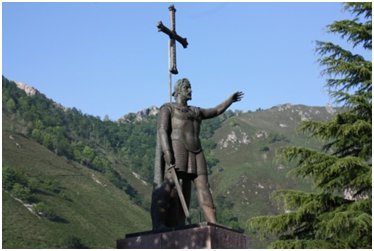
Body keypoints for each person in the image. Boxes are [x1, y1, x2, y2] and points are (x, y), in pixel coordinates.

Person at [151, 78, 244, 230]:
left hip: (196, 151)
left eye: (190, 88)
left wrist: (230, 101)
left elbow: (215, 111)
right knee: (169, 184)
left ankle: (213, 222)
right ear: (179, 90)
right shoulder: (168, 109)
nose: (190, 91)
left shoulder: (196, 111)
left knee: (204, 186)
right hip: (177, 148)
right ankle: (159, 223)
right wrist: (167, 152)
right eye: (187, 88)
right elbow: (162, 130)